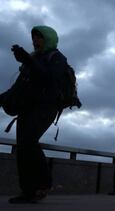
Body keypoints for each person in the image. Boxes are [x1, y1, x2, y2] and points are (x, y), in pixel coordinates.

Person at [2, 26, 68, 204]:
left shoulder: (57, 58)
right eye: (33, 37)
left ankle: (44, 183)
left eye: (39, 37)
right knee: (23, 148)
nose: (35, 41)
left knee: (29, 142)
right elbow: (19, 86)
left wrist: (29, 61)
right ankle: (28, 191)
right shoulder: (32, 58)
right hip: (27, 107)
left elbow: (50, 79)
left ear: (48, 39)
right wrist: (3, 98)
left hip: (46, 107)